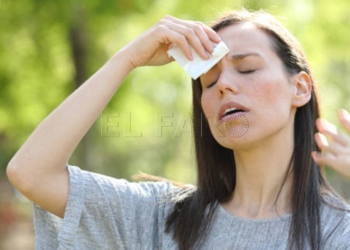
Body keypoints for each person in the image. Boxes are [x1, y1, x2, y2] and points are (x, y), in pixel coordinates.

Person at [6, 9, 350, 250]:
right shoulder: (162, 218)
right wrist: (127, 60)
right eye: (209, 81)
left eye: (246, 69)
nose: (223, 86)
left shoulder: (339, 230)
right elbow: (31, 173)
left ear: (300, 88)